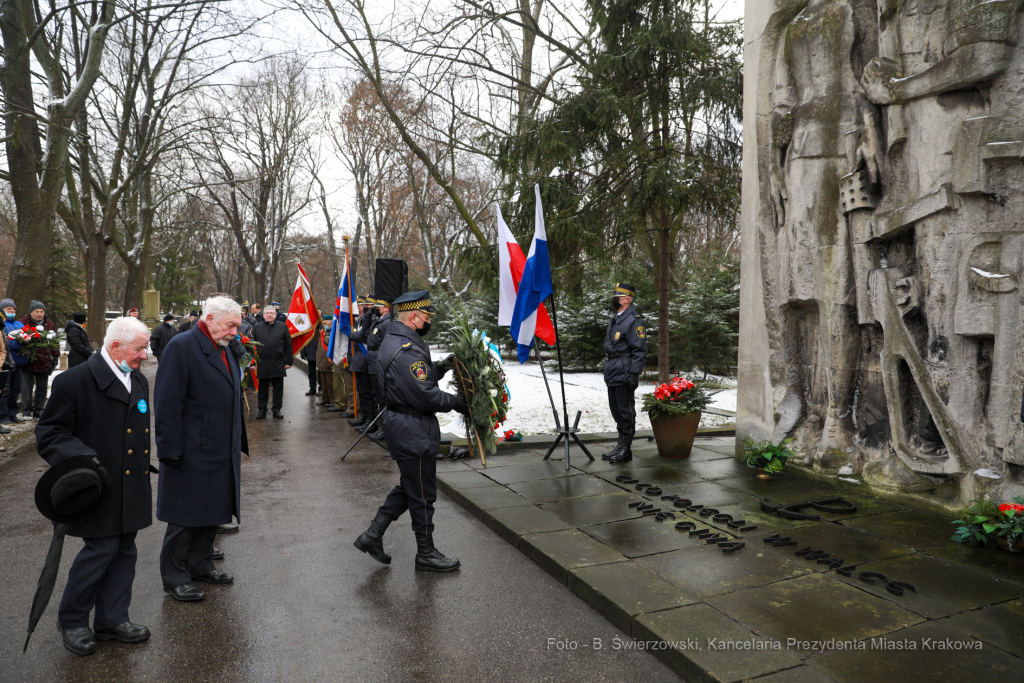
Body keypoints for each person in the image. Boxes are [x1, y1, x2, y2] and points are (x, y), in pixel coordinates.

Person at [35, 316, 154, 655]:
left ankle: (112, 620)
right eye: (139, 349)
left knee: (125, 550)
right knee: (101, 551)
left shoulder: (137, 380)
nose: (144, 355)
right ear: (115, 347)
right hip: (97, 486)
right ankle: (72, 620)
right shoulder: (74, 381)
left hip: (131, 484)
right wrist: (84, 459)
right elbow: (50, 433)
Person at [354, 291, 467, 572]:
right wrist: (458, 403)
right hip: (411, 428)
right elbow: (424, 394)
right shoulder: (406, 349)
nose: (429, 321)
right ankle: (425, 553)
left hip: (406, 425)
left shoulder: (398, 340)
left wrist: (440, 367)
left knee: (411, 485)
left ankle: (372, 536)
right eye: (426, 317)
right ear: (414, 317)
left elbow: (412, 380)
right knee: (422, 493)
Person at [154, 296, 242, 602]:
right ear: (210, 318)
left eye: (237, 326)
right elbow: (167, 402)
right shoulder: (181, 346)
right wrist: (169, 448)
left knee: (212, 511)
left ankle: (200, 564)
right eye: (231, 325)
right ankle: (175, 576)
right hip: (191, 448)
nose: (235, 332)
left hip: (219, 447)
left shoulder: (222, 346)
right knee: (184, 516)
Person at [602, 283, 648, 464]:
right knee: (615, 409)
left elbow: (639, 350)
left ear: (627, 299)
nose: (614, 300)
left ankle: (626, 448)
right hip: (613, 368)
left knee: (625, 410)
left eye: (617, 298)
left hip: (624, 369)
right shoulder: (617, 318)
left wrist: (634, 374)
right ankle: (620, 445)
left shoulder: (634, 320)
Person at [251, 305, 292, 419]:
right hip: (262, 362)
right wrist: (252, 362)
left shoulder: (282, 326)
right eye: (267, 313)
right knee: (263, 389)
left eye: (271, 313)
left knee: (278, 388)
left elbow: (288, 344)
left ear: (275, 315)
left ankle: (276, 410)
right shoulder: (257, 327)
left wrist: (289, 361)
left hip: (278, 362)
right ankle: (262, 410)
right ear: (263, 315)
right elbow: (252, 346)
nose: (269, 315)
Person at [20, 300, 59, 418]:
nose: (39, 314)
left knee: (42, 387)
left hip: (44, 361)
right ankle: (26, 410)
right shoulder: (23, 323)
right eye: (36, 311)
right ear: (31, 312)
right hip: (27, 361)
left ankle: (39, 409)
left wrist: (55, 356)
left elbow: (54, 341)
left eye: (41, 311)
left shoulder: (49, 323)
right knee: (26, 387)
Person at [361, 298, 390, 440]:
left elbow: (386, 345)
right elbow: (364, 332)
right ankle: (381, 427)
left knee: (383, 399)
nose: (376, 309)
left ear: (386, 308)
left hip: (379, 363)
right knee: (378, 397)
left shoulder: (387, 322)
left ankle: (385, 430)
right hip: (373, 363)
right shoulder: (378, 320)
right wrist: (368, 316)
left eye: (379, 307)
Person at [348, 297, 375, 427]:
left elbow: (363, 335)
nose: (365, 307)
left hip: (365, 358)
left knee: (367, 392)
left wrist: (352, 335)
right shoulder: (361, 319)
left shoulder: (371, 319)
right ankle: (363, 416)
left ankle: (370, 419)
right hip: (358, 358)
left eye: (368, 305)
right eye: (365, 305)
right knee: (361, 391)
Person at [1, 298, 27, 425]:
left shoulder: (19, 325)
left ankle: (12, 413)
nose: (12, 311)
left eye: (13, 309)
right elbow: (6, 343)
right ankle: (3, 415)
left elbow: (27, 337)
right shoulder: (2, 324)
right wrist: (20, 345)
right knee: (4, 391)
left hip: (19, 361)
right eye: (8, 309)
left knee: (15, 390)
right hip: (6, 363)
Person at [316, 318, 334, 408]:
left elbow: (330, 343)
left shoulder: (332, 332)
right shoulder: (322, 332)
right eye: (323, 323)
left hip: (328, 362)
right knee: (324, 384)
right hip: (321, 362)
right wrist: (316, 329)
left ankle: (332, 400)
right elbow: (315, 339)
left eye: (326, 323)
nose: (324, 325)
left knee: (330, 384)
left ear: (331, 323)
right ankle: (325, 399)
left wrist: (327, 335)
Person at [301, 321, 321, 396]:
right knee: (311, 372)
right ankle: (312, 388)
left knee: (320, 372)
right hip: (309, 351)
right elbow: (304, 339)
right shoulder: (307, 325)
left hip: (318, 352)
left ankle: (321, 388)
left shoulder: (321, 325)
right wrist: (303, 351)